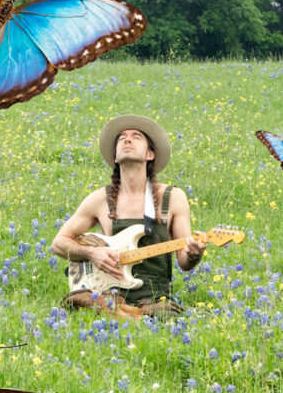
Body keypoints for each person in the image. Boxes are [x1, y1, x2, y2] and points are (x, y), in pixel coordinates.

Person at [51, 115, 205, 318]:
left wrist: (194, 253)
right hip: (109, 294)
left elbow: (184, 262)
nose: (127, 139)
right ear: (115, 156)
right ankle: (127, 316)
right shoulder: (100, 199)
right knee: (82, 302)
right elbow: (58, 243)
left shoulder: (173, 197)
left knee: (163, 314)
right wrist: (92, 254)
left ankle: (130, 317)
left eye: (136, 136)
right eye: (122, 137)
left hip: (154, 297)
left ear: (150, 154)